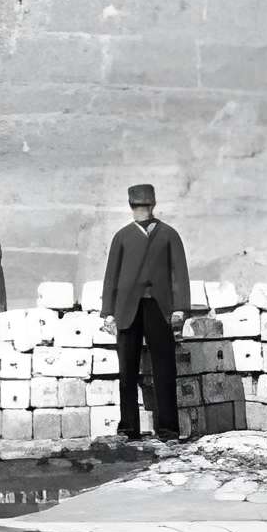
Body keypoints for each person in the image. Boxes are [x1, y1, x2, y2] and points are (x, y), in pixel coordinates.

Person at [100, 182, 190, 441]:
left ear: (153, 206)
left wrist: (180, 308)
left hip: (159, 308)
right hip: (126, 309)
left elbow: (179, 274)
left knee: (165, 368)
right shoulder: (122, 236)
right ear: (131, 207)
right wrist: (108, 312)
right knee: (126, 370)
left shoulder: (169, 234)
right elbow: (111, 276)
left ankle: (168, 428)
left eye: (146, 206)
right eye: (138, 207)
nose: (142, 211)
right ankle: (128, 427)